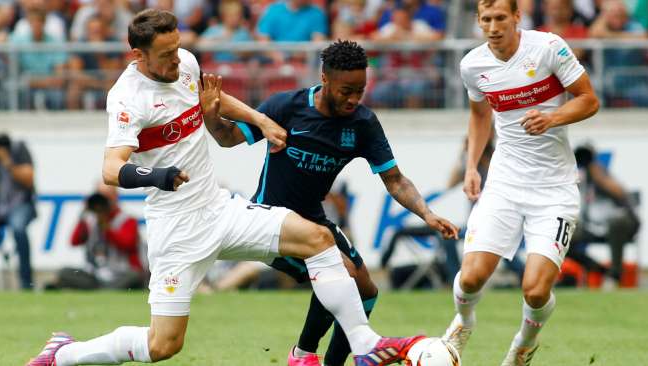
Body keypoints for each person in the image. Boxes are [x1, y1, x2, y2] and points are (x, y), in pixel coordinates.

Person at [27, 9, 425, 366]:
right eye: (165, 55)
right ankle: (64, 353)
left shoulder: (184, 62)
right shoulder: (127, 99)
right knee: (163, 345)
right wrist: (159, 177)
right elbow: (112, 170)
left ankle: (363, 344)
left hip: (218, 209)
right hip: (177, 228)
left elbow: (213, 98)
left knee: (320, 239)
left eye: (178, 48)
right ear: (138, 56)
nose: (176, 60)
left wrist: (262, 121)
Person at [207, 40, 459, 366]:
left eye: (360, 90)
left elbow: (395, 180)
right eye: (346, 90)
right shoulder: (287, 106)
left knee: (367, 290)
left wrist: (427, 213)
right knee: (345, 275)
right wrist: (211, 115)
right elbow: (227, 138)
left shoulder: (362, 124)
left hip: (315, 221)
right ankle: (302, 354)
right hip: (270, 223)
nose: (354, 99)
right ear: (324, 79)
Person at [439, 0, 600, 365]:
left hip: (554, 189)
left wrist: (553, 117)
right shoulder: (472, 65)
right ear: (478, 22)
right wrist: (471, 167)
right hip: (504, 184)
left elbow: (589, 100)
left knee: (535, 290)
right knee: (470, 279)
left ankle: (523, 346)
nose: (493, 27)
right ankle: (462, 324)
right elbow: (480, 115)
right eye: (486, 20)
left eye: (500, 18)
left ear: (517, 17)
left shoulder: (548, 48)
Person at [568, 144, 640, 289]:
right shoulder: (582, 179)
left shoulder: (603, 174)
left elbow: (622, 194)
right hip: (594, 225)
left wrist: (599, 177)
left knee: (616, 222)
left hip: (621, 223)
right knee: (566, 234)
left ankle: (614, 275)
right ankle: (599, 269)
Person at [48, 191, 146, 290]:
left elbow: (127, 244)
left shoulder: (126, 220)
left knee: (135, 276)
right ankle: (105, 289)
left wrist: (107, 228)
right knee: (64, 272)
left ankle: (102, 289)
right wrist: (83, 214)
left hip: (120, 273)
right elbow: (74, 241)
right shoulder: (90, 221)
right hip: (95, 274)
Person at [0, 133, 36, 290]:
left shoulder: (18, 149)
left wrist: (7, 162)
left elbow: (28, 178)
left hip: (21, 205)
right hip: (1, 206)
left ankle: (26, 282)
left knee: (18, 228)